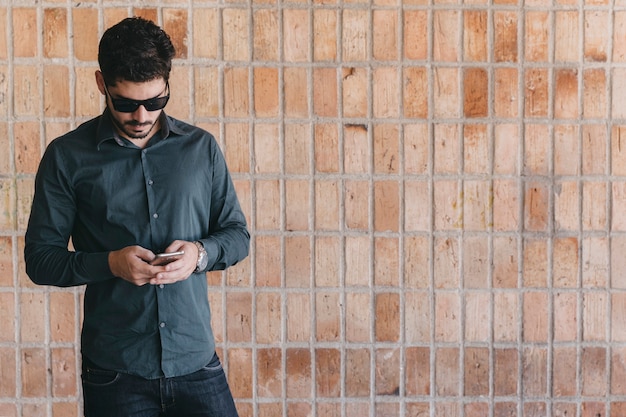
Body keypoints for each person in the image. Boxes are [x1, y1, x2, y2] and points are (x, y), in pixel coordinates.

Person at [24, 16, 249, 417]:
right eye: (126, 103)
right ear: (101, 84)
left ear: (167, 84)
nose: (142, 116)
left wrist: (199, 254)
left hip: (196, 361)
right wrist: (110, 263)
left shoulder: (201, 149)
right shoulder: (67, 157)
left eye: (156, 101)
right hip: (115, 371)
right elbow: (41, 260)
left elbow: (237, 235)